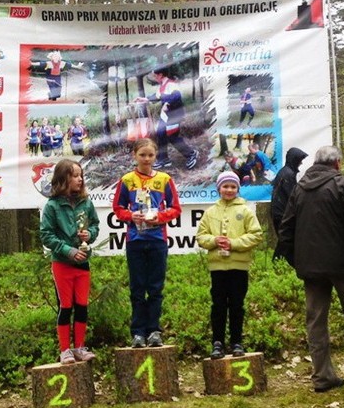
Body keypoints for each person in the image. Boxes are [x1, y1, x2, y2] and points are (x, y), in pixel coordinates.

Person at [277, 145, 344, 393]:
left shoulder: (299, 190)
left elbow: (285, 229)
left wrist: (297, 261)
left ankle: (323, 376)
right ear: (336, 163)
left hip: (311, 268)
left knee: (316, 322)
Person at [112, 138, 182, 348]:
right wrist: (131, 216)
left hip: (157, 239)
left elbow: (175, 208)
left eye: (150, 155)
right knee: (137, 288)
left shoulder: (164, 179)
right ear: (134, 155)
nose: (146, 159)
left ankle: (154, 331)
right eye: (142, 154)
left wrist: (160, 217)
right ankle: (138, 333)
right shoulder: (126, 180)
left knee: (155, 288)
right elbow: (118, 208)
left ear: (155, 155)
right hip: (135, 240)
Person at [196, 172, 263, 359]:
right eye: (225, 186)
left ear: (238, 189)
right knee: (218, 305)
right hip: (217, 268)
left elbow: (256, 235)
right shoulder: (210, 212)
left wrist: (233, 244)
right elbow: (201, 236)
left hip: (239, 267)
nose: (229, 190)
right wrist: (214, 240)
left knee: (236, 305)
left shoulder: (246, 210)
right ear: (219, 189)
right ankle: (217, 343)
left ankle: (236, 342)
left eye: (233, 187)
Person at [40, 159, 100, 364]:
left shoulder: (87, 202)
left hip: (83, 262)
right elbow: (46, 236)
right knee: (66, 306)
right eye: (75, 175)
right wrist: (68, 250)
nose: (80, 179)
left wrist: (88, 235)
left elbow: (95, 227)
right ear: (63, 178)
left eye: (81, 175)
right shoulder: (52, 206)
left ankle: (80, 347)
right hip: (62, 263)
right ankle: (65, 350)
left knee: (82, 305)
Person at [135, 66, 199, 170]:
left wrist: (168, 104)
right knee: (161, 134)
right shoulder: (162, 86)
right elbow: (157, 96)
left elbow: (176, 96)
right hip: (166, 116)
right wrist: (144, 99)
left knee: (172, 136)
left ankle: (191, 154)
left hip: (174, 115)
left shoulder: (171, 84)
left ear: (160, 75)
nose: (154, 78)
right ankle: (163, 159)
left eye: (155, 75)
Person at [270, 147, 308, 232]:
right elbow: (292, 196)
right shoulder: (288, 174)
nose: (301, 163)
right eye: (299, 160)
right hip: (282, 214)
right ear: (294, 160)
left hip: (279, 213)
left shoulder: (285, 172)